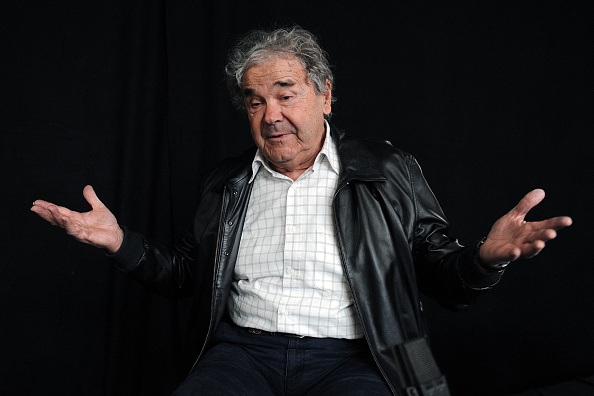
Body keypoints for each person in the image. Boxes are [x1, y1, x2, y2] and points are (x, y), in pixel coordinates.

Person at [31, 27, 572, 396]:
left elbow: (442, 276)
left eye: (286, 95)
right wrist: (120, 241)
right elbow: (188, 275)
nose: (271, 116)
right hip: (243, 354)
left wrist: (485, 259)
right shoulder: (228, 182)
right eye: (254, 100)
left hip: (357, 359)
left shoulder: (386, 169)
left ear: (325, 95)